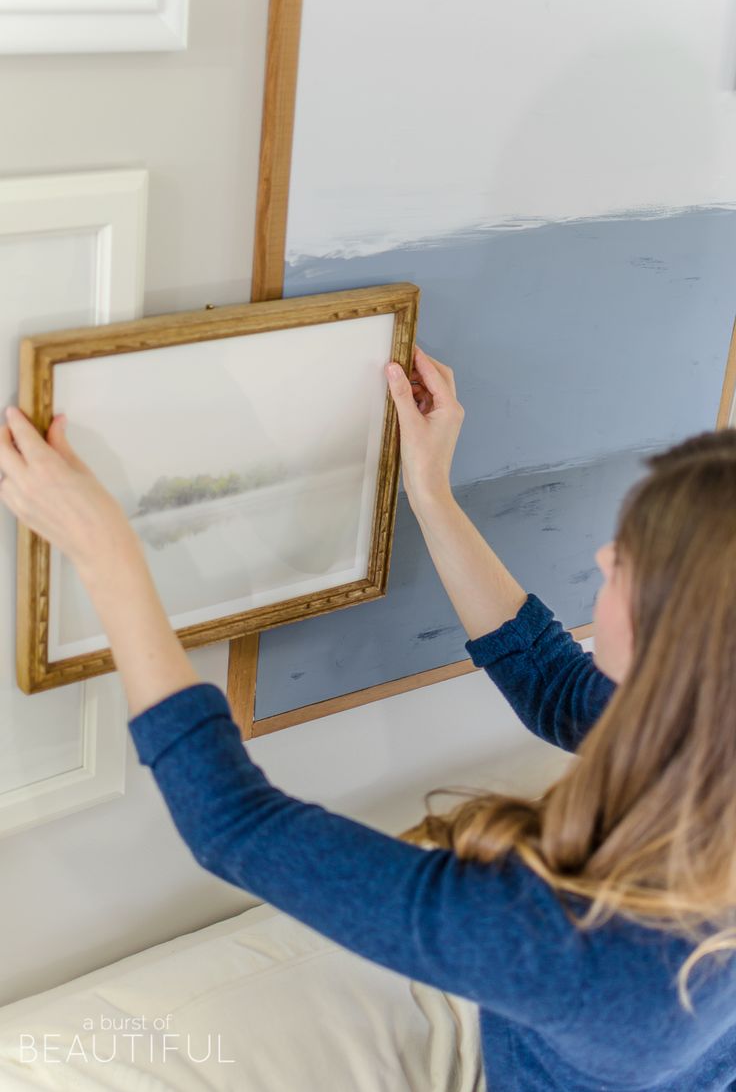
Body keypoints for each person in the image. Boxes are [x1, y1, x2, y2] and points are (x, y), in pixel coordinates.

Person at [1, 345, 735, 1091]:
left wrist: (105, 550)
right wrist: (430, 492)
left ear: (672, 644)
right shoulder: (713, 741)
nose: (606, 554)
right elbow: (550, 680)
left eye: (631, 560)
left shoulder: (580, 950)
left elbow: (233, 823)